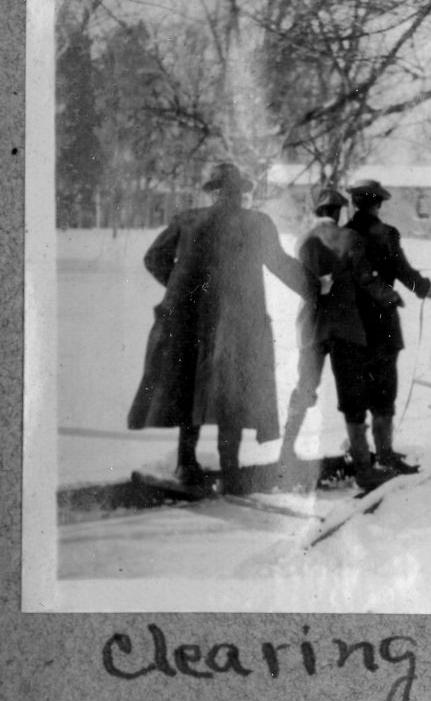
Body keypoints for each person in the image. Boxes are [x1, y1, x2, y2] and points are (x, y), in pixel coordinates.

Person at [127, 162, 316, 495]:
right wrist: (315, 288)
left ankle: (186, 463)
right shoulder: (256, 223)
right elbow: (281, 266)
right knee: (236, 392)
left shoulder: (188, 220)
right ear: (240, 192)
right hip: (238, 323)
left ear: (215, 190)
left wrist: (179, 288)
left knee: (190, 389)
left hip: (190, 320)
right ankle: (230, 468)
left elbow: (153, 258)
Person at [278, 186, 401, 492]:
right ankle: (363, 470)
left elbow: (303, 280)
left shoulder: (303, 240)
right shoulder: (352, 239)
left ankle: (284, 453)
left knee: (305, 387)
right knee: (353, 399)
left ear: (317, 211)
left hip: (312, 327)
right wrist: (390, 295)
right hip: (347, 329)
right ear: (338, 212)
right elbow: (366, 279)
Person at [344, 179, 431, 475]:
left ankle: (359, 452)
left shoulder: (342, 234)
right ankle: (384, 453)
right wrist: (424, 288)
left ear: (355, 203)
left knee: (356, 388)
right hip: (382, 322)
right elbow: (402, 270)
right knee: (384, 387)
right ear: (378, 204)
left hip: (350, 323)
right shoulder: (385, 234)